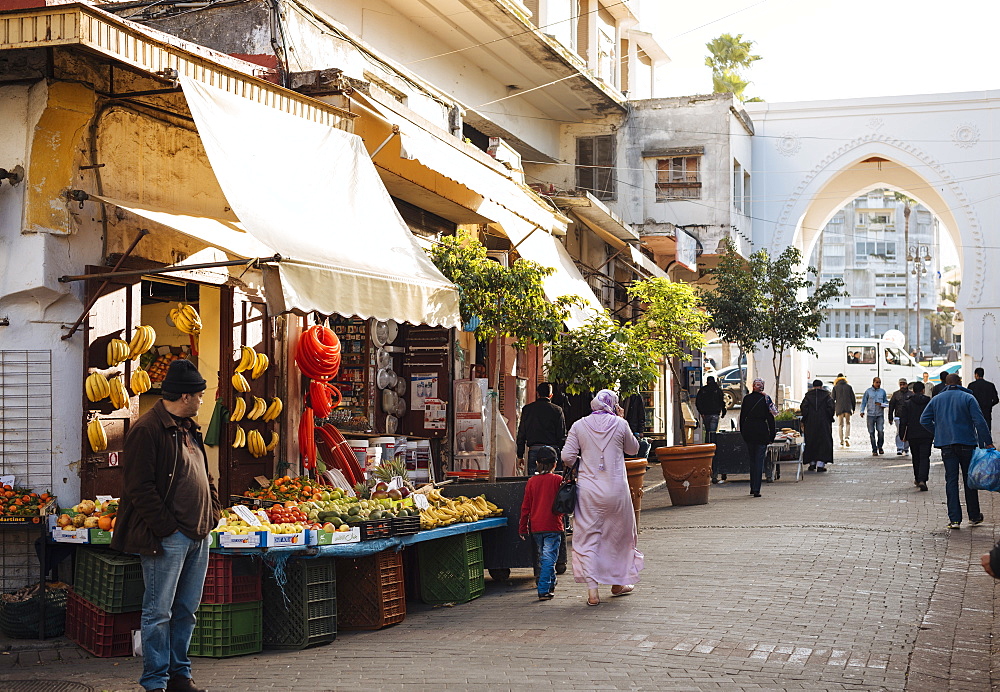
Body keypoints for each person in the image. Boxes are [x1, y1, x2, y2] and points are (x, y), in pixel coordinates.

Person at [111, 360, 219, 692]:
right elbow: (138, 487)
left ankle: (179, 676)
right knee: (159, 613)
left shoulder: (189, 427)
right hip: (169, 538)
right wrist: (167, 527)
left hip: (198, 535)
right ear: (185, 396)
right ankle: (155, 681)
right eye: (200, 395)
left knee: (186, 610)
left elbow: (204, 473)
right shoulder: (147, 429)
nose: (202, 401)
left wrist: (213, 511)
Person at [560, 390, 642, 606]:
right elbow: (633, 449)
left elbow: (567, 457)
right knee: (619, 537)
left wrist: (584, 462)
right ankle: (618, 584)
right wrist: (622, 420)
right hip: (617, 491)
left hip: (588, 491)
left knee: (589, 538)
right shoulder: (620, 424)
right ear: (613, 405)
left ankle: (593, 592)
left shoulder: (579, 425)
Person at [920, 374, 995, 529]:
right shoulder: (968, 398)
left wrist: (939, 432)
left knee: (951, 481)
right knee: (970, 480)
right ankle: (974, 516)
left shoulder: (937, 399)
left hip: (947, 445)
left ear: (946, 384)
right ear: (960, 382)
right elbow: (979, 421)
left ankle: (954, 519)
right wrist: (987, 442)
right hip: (967, 444)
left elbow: (924, 420)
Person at [518, 447, 564, 601]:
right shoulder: (558, 480)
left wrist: (523, 527)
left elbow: (526, 507)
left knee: (545, 556)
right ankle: (543, 588)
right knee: (549, 558)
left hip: (536, 527)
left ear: (536, 463)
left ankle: (550, 583)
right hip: (553, 525)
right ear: (555, 464)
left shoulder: (532, 482)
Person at [516, 382, 567, 475]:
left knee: (534, 482)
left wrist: (520, 454)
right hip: (552, 451)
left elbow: (521, 433)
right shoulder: (557, 410)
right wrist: (564, 456)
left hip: (534, 450)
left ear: (537, 393)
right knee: (554, 483)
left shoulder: (527, 409)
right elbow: (562, 435)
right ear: (551, 395)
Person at [739, 378, 777, 498]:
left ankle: (752, 487)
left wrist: (743, 432)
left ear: (753, 386)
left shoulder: (747, 399)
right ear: (762, 387)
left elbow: (742, 417)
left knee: (752, 460)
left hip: (749, 432)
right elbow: (771, 419)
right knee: (759, 461)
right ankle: (756, 489)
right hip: (761, 432)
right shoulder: (766, 399)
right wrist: (772, 435)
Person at [898, 381, 933, 491]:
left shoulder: (907, 403)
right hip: (926, 433)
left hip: (912, 434)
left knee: (916, 457)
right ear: (923, 390)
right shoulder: (929, 402)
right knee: (925, 457)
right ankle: (923, 479)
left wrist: (902, 434)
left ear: (913, 391)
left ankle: (918, 478)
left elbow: (903, 420)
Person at [800, 379, 835, 472]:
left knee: (811, 441)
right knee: (823, 442)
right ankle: (820, 464)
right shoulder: (827, 396)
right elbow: (831, 408)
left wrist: (806, 418)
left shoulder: (808, 396)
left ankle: (812, 463)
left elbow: (804, 408)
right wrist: (828, 417)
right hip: (823, 423)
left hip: (810, 423)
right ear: (821, 386)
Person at [860, 377, 889, 455]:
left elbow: (886, 401)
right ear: (873, 382)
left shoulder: (882, 392)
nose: (878, 384)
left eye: (879, 382)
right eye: (877, 382)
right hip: (870, 415)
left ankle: (880, 446)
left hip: (880, 414)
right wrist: (862, 411)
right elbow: (863, 402)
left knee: (880, 431)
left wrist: (884, 405)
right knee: (871, 432)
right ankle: (874, 448)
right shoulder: (868, 391)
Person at [695, 376, 726, 445]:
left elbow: (698, 402)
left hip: (706, 414)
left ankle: (707, 446)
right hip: (715, 413)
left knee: (707, 431)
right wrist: (723, 412)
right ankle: (713, 446)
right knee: (713, 432)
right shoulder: (718, 390)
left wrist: (701, 412)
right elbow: (722, 402)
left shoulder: (703, 390)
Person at [888, 378, 913, 456]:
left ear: (906, 384)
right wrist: (890, 417)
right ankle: (899, 448)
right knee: (899, 432)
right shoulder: (896, 394)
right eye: (901, 384)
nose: (902, 386)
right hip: (898, 416)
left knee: (908, 431)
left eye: (904, 384)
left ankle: (906, 448)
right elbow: (891, 406)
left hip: (909, 416)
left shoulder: (911, 394)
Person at [832, 374, 856, 447]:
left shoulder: (835, 388)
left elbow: (832, 399)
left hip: (839, 408)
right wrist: (853, 408)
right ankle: (847, 437)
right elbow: (853, 398)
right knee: (848, 423)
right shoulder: (849, 387)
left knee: (840, 425)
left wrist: (833, 410)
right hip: (848, 408)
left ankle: (841, 440)